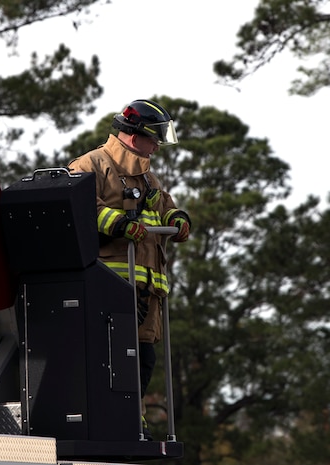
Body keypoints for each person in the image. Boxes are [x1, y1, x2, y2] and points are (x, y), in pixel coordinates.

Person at [67, 98, 190, 439]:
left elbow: (166, 207)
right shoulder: (90, 165)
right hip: (109, 287)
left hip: (146, 290)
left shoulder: (148, 175)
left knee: (143, 360)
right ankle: (115, 421)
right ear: (136, 137)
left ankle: (133, 422)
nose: (157, 147)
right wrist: (120, 224)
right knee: (112, 360)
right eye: (154, 140)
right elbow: (82, 209)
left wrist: (178, 220)